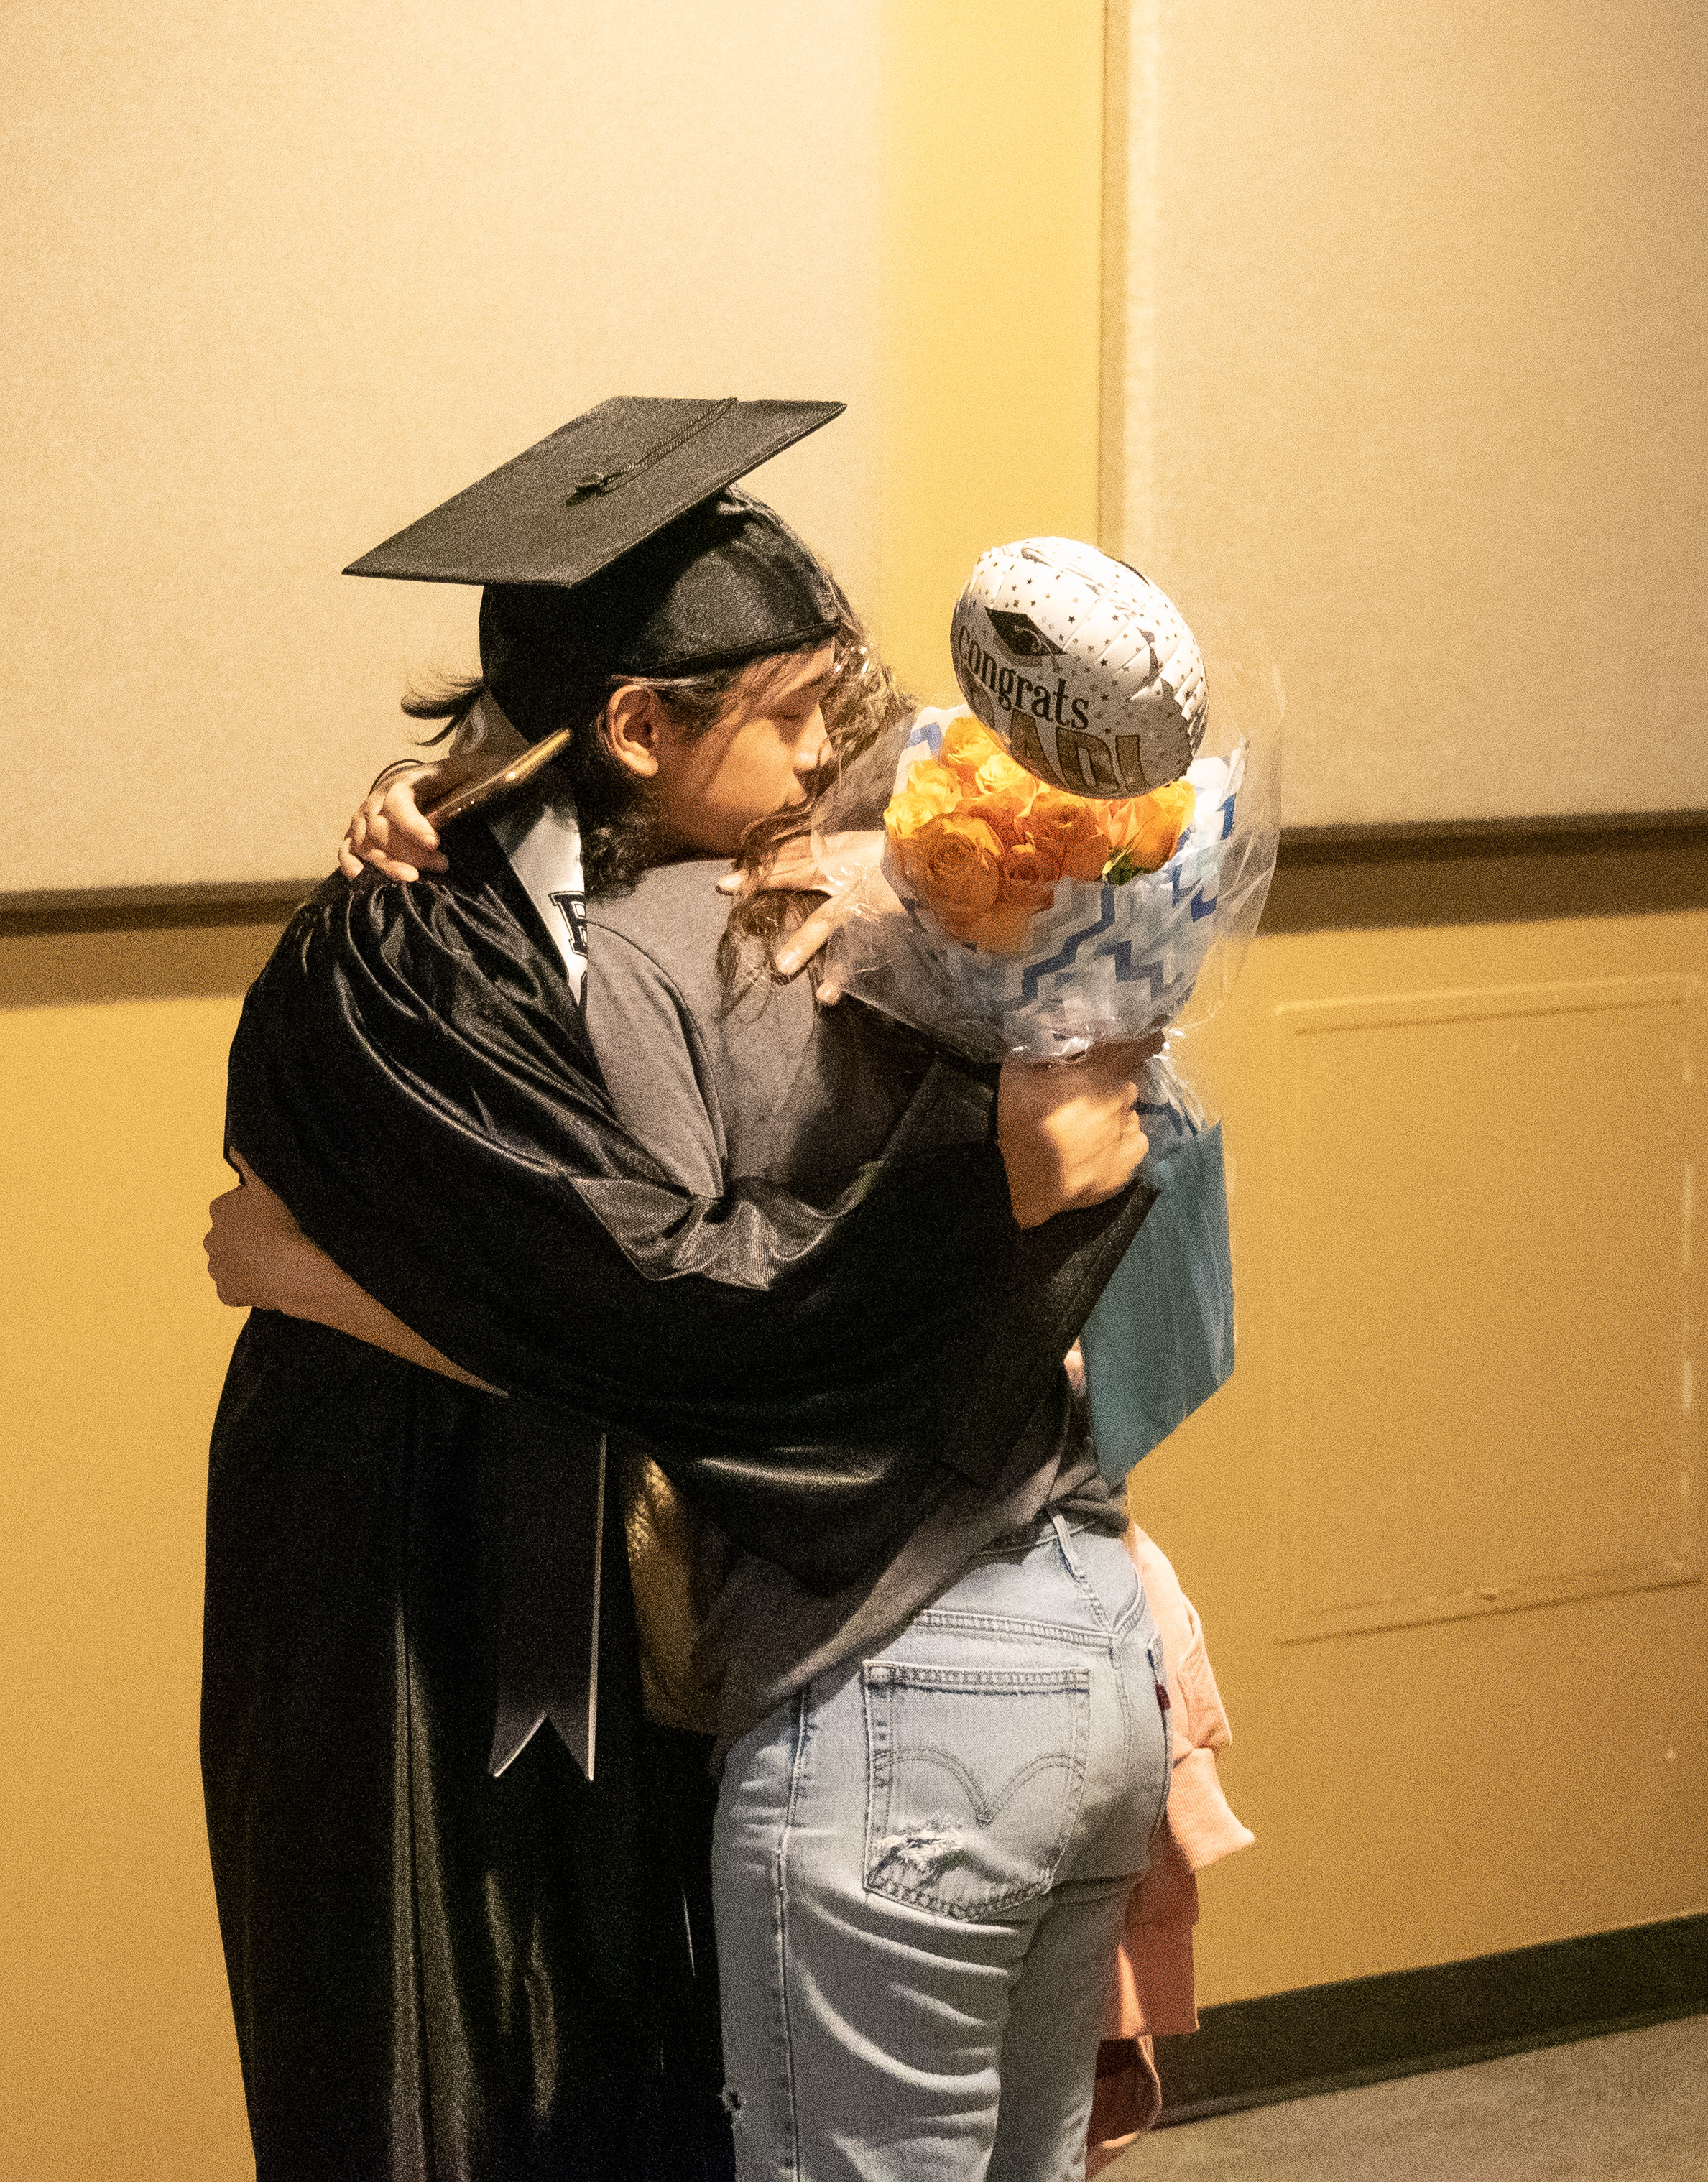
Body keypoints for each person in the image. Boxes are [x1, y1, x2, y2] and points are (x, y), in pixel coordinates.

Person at [203, 397, 1160, 2182]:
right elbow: (678, 1305)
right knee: (477, 2086)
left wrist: (311, 1277)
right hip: (426, 1601)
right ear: (636, 730)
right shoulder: (415, 946)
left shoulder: (718, 875)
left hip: (638, 1587)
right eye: (789, 717)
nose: (823, 764)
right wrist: (1013, 1189)